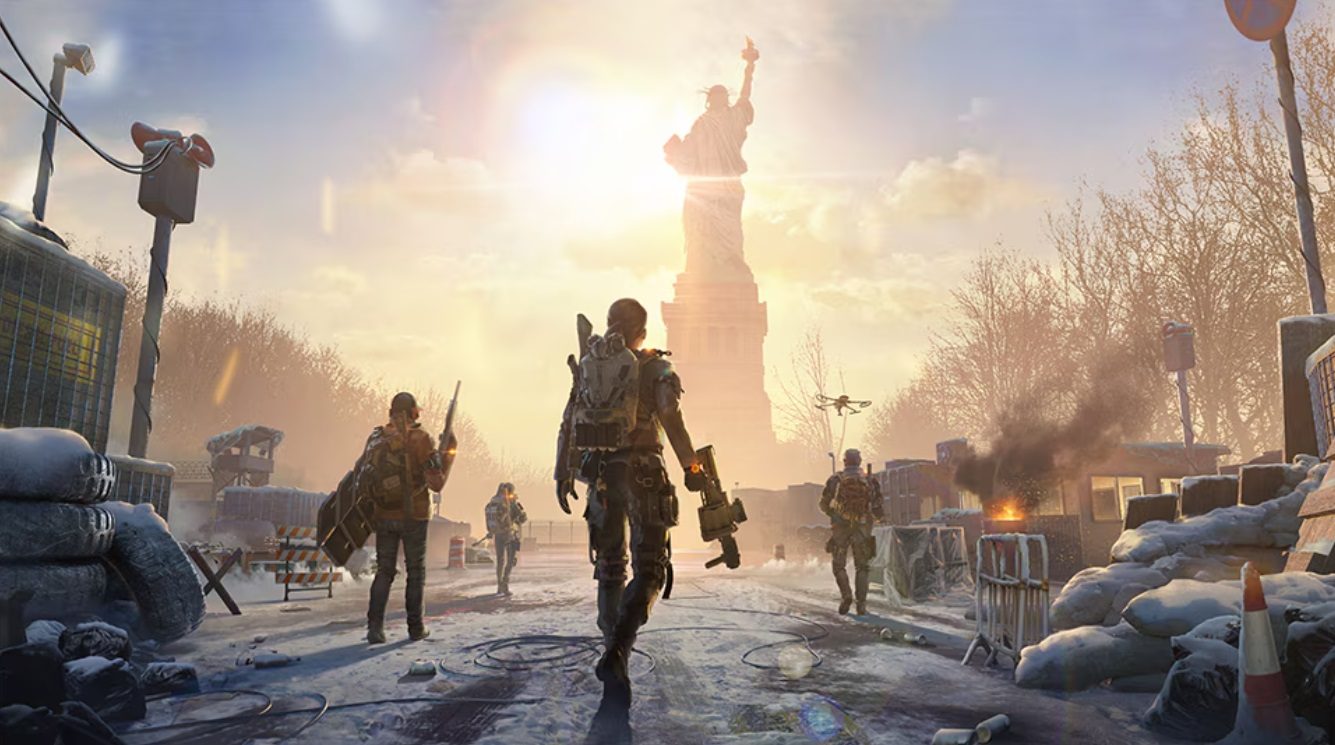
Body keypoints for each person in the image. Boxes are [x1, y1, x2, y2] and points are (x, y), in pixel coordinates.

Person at [555, 298, 705, 710]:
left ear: (609, 324)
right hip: (644, 472)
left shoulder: (589, 366)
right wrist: (692, 467)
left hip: (600, 475)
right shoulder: (655, 367)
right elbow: (670, 416)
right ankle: (619, 651)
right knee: (650, 568)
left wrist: (562, 473)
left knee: (609, 568)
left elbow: (568, 421)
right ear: (643, 331)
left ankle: (611, 650)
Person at [361, 391, 456, 644]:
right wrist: (448, 455)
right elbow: (436, 484)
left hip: (383, 514)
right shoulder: (421, 438)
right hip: (414, 514)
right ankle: (415, 628)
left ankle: (374, 628)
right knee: (415, 572)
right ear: (414, 412)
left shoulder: (376, 438)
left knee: (384, 571)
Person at [820, 448, 883, 615]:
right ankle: (861, 605)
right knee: (862, 567)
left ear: (845, 461)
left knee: (838, 565)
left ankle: (846, 595)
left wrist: (835, 514)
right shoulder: (870, 480)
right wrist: (876, 518)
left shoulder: (835, 479)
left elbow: (823, 504)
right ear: (859, 461)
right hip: (862, 528)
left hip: (840, 528)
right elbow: (878, 507)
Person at [484, 482, 527, 595]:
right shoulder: (511, 503)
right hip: (509, 534)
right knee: (511, 560)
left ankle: (499, 586)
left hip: (498, 535)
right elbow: (523, 518)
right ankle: (505, 584)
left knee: (500, 560)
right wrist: (519, 509)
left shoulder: (493, 501)